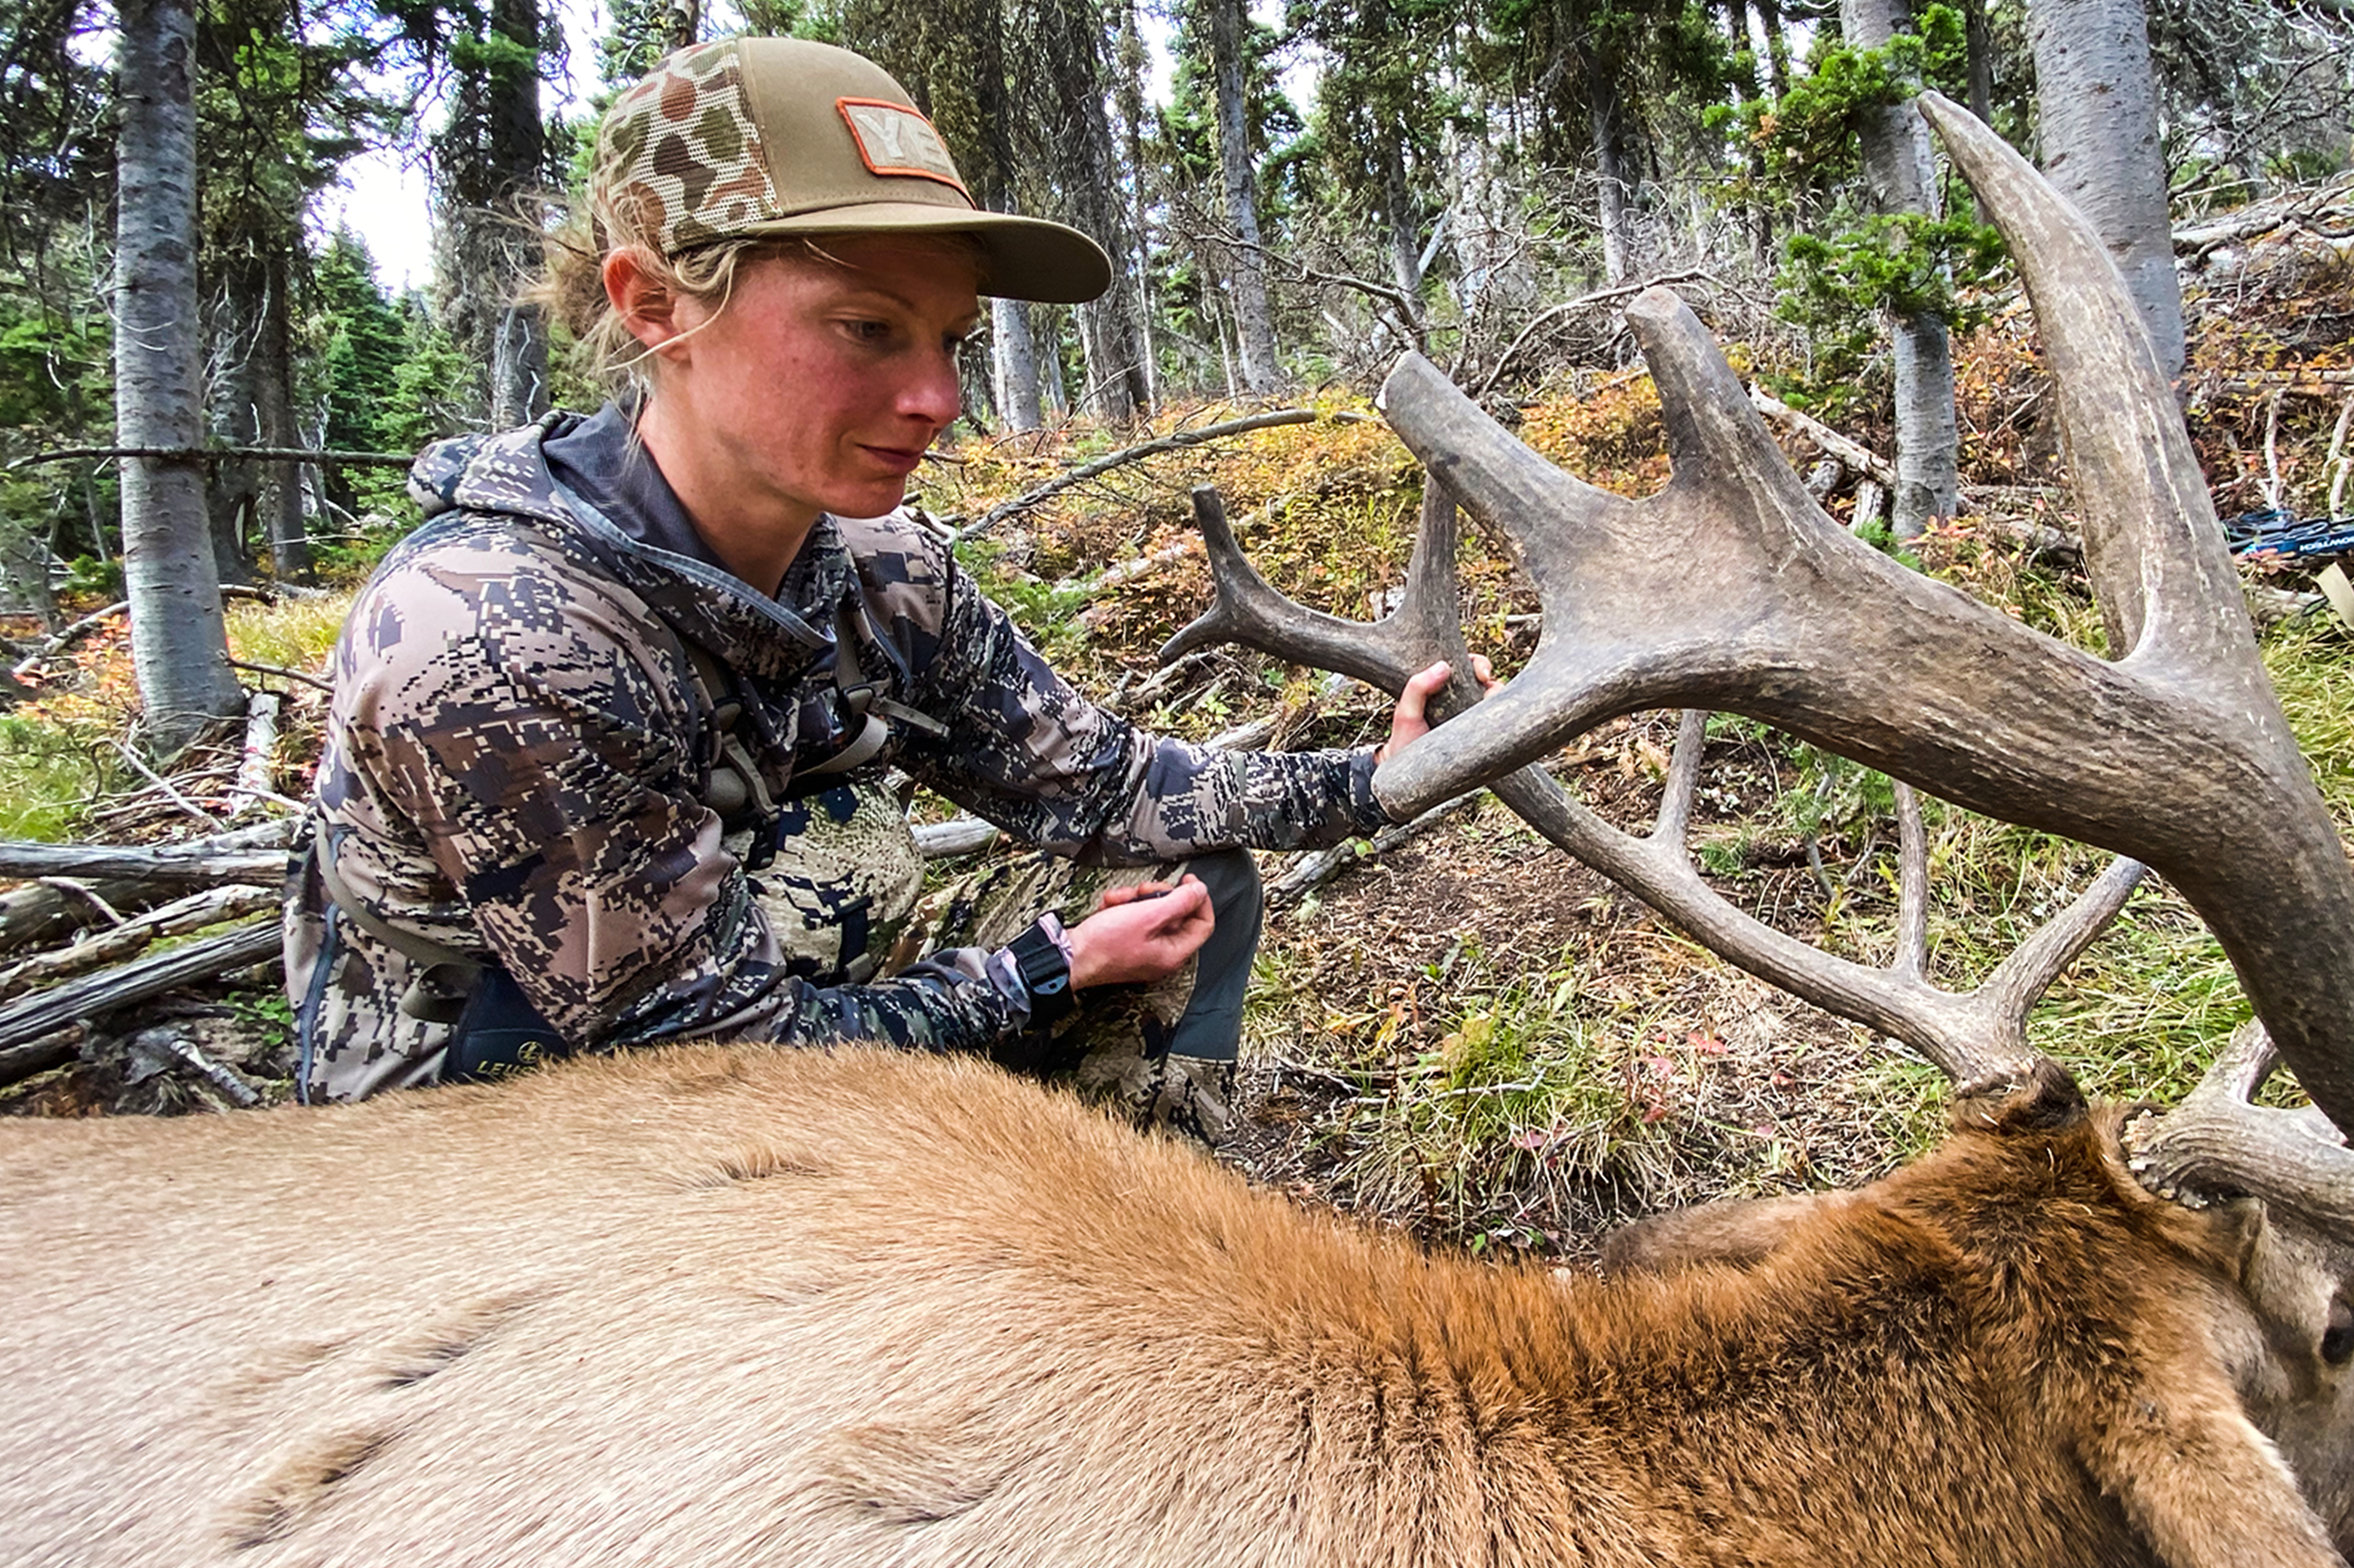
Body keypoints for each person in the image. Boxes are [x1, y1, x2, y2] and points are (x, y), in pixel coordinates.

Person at [282, 36, 1467, 1133]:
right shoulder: (493, 634)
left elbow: (1101, 787)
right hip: (513, 1133)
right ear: (653, 305)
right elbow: (710, 1056)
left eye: (949, 339)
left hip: (765, 996)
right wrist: (1041, 971)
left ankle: (1105, 1287)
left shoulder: (873, 571)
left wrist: (1375, 780)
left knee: (1183, 885)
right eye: (866, 328)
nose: (939, 400)